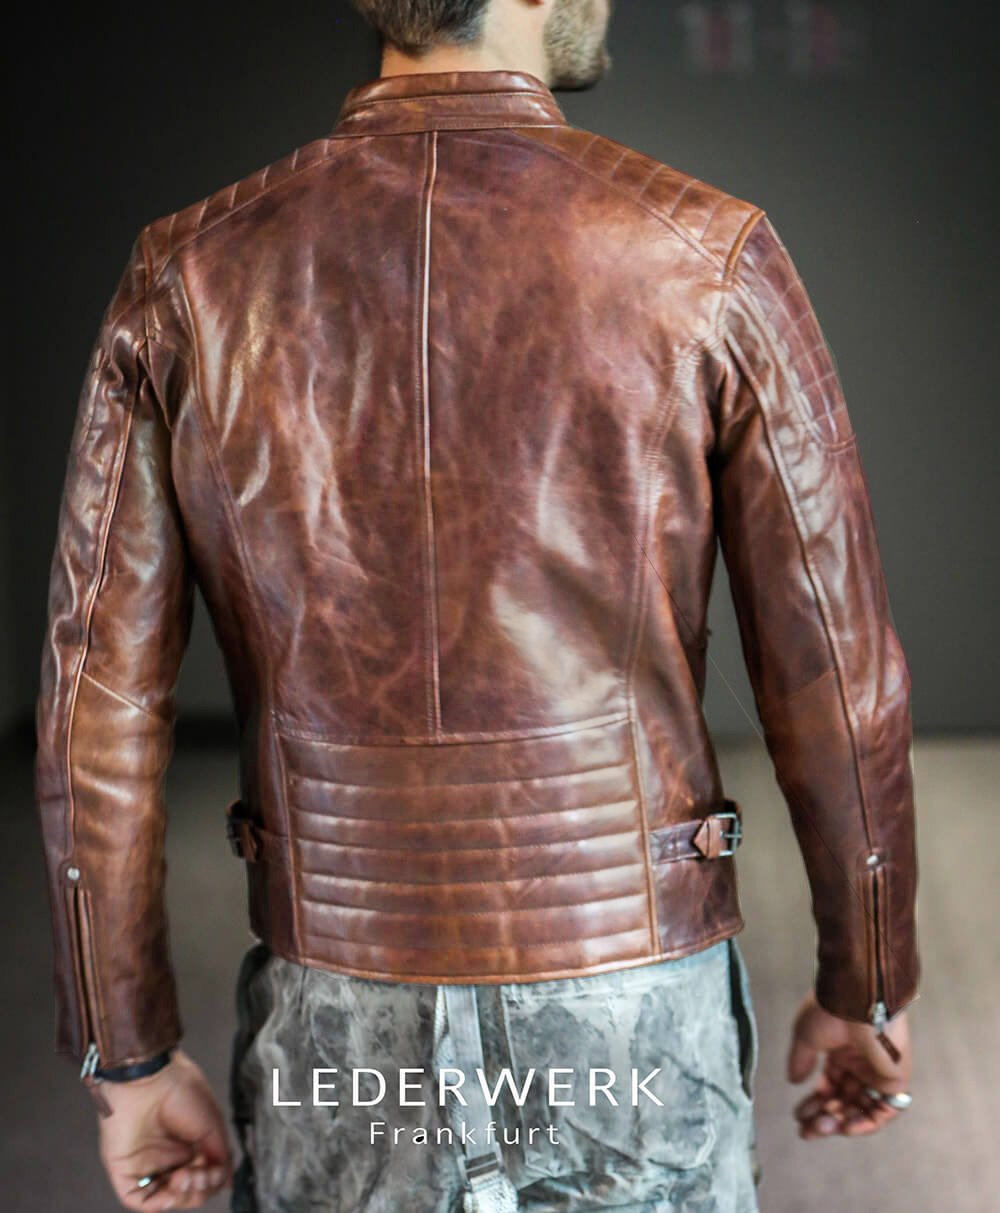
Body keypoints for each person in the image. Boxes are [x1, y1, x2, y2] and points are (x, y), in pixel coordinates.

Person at [33, 1, 921, 1210]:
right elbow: (835, 674)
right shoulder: (702, 252)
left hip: (340, 1004)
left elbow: (98, 706)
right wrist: (867, 982)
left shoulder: (190, 273)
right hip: (625, 997)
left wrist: (125, 1055)